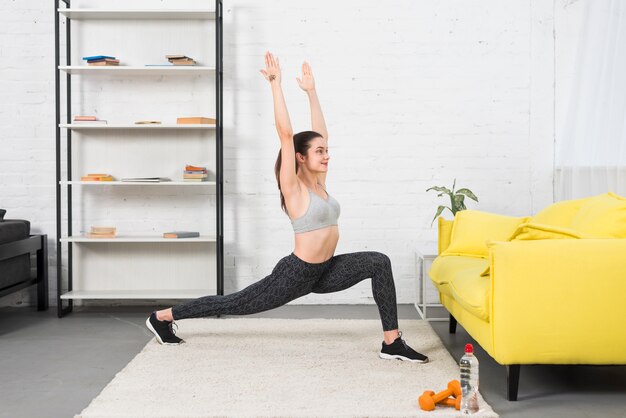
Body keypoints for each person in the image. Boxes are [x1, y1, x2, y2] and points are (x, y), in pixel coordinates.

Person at [145, 51, 428, 363]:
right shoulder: (293, 187)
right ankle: (162, 317)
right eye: (319, 152)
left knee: (378, 262)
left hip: (326, 270)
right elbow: (286, 134)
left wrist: (311, 92)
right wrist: (275, 85)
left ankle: (392, 342)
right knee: (235, 303)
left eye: (326, 151)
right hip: (296, 274)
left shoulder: (319, 182)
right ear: (300, 157)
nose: (326, 155)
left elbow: (323, 134)